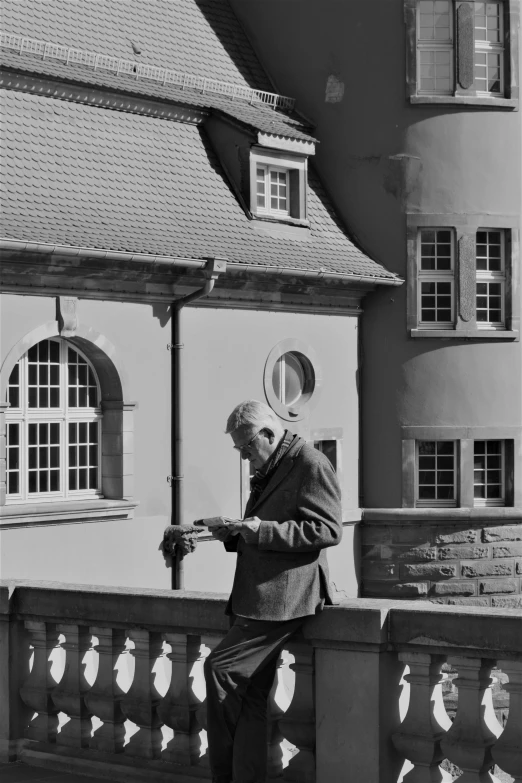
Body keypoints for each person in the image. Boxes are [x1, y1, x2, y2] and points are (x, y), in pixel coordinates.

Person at [203, 400, 342, 783]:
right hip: (257, 596)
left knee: (219, 670)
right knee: (251, 699)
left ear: (268, 433)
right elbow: (264, 528)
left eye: (247, 447)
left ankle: (224, 777)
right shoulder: (272, 465)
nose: (245, 456)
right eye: (240, 450)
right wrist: (235, 534)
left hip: (284, 598)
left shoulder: (310, 463)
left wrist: (260, 530)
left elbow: (327, 530)